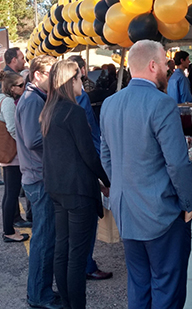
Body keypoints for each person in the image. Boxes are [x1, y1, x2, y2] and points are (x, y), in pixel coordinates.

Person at [100, 40, 192, 309]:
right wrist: (189, 203)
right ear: (152, 66)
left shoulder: (110, 103)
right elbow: (177, 164)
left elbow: (106, 156)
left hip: (127, 210)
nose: (168, 69)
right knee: (167, 288)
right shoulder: (162, 104)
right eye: (165, 64)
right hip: (160, 213)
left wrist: (126, 185)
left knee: (139, 284)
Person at [40, 60, 110, 309]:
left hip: (57, 187)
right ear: (70, 81)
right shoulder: (73, 111)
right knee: (77, 257)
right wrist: (106, 179)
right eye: (80, 78)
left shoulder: (50, 109)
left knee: (63, 249)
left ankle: (69, 303)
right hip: (77, 190)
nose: (84, 83)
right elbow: (88, 153)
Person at [15, 56, 62, 309]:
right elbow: (34, 140)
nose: (55, 80)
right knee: (44, 239)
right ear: (37, 75)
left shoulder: (34, 97)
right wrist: (61, 139)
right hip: (39, 177)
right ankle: (39, 295)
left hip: (37, 176)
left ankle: (40, 291)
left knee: (44, 238)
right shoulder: (33, 99)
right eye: (51, 74)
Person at [68, 55, 113, 280]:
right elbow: (89, 134)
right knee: (86, 224)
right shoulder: (79, 100)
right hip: (84, 170)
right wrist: (102, 174)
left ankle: (81, 264)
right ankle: (86, 265)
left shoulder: (52, 103)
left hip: (65, 176)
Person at [0, 72, 30, 242]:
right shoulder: (7, 102)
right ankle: (8, 231)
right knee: (11, 194)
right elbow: (12, 129)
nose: (24, 87)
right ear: (12, 88)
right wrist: (25, 145)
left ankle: (9, 228)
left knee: (9, 193)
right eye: (21, 85)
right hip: (12, 154)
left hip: (8, 154)